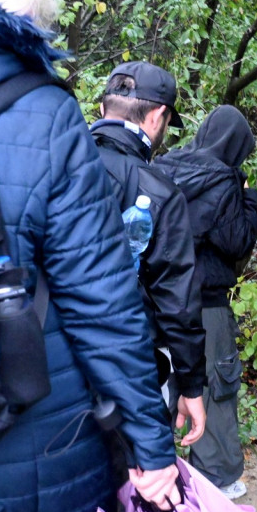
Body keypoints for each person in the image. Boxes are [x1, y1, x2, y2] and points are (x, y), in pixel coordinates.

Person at [0, 0, 180, 512]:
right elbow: (101, 301)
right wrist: (151, 448)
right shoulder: (45, 116)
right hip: (26, 439)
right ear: (24, 27)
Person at [155, 105, 257, 500]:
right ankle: (216, 482)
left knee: (164, 383)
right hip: (205, 303)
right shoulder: (223, 180)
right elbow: (235, 241)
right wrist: (252, 202)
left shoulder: (164, 166)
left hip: (157, 300)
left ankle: (158, 473)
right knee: (214, 387)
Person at [91, 61, 207, 447]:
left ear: (102, 109)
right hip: (126, 367)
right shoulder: (157, 192)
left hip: (41, 361)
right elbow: (177, 300)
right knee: (133, 489)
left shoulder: (48, 163)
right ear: (158, 116)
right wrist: (190, 385)